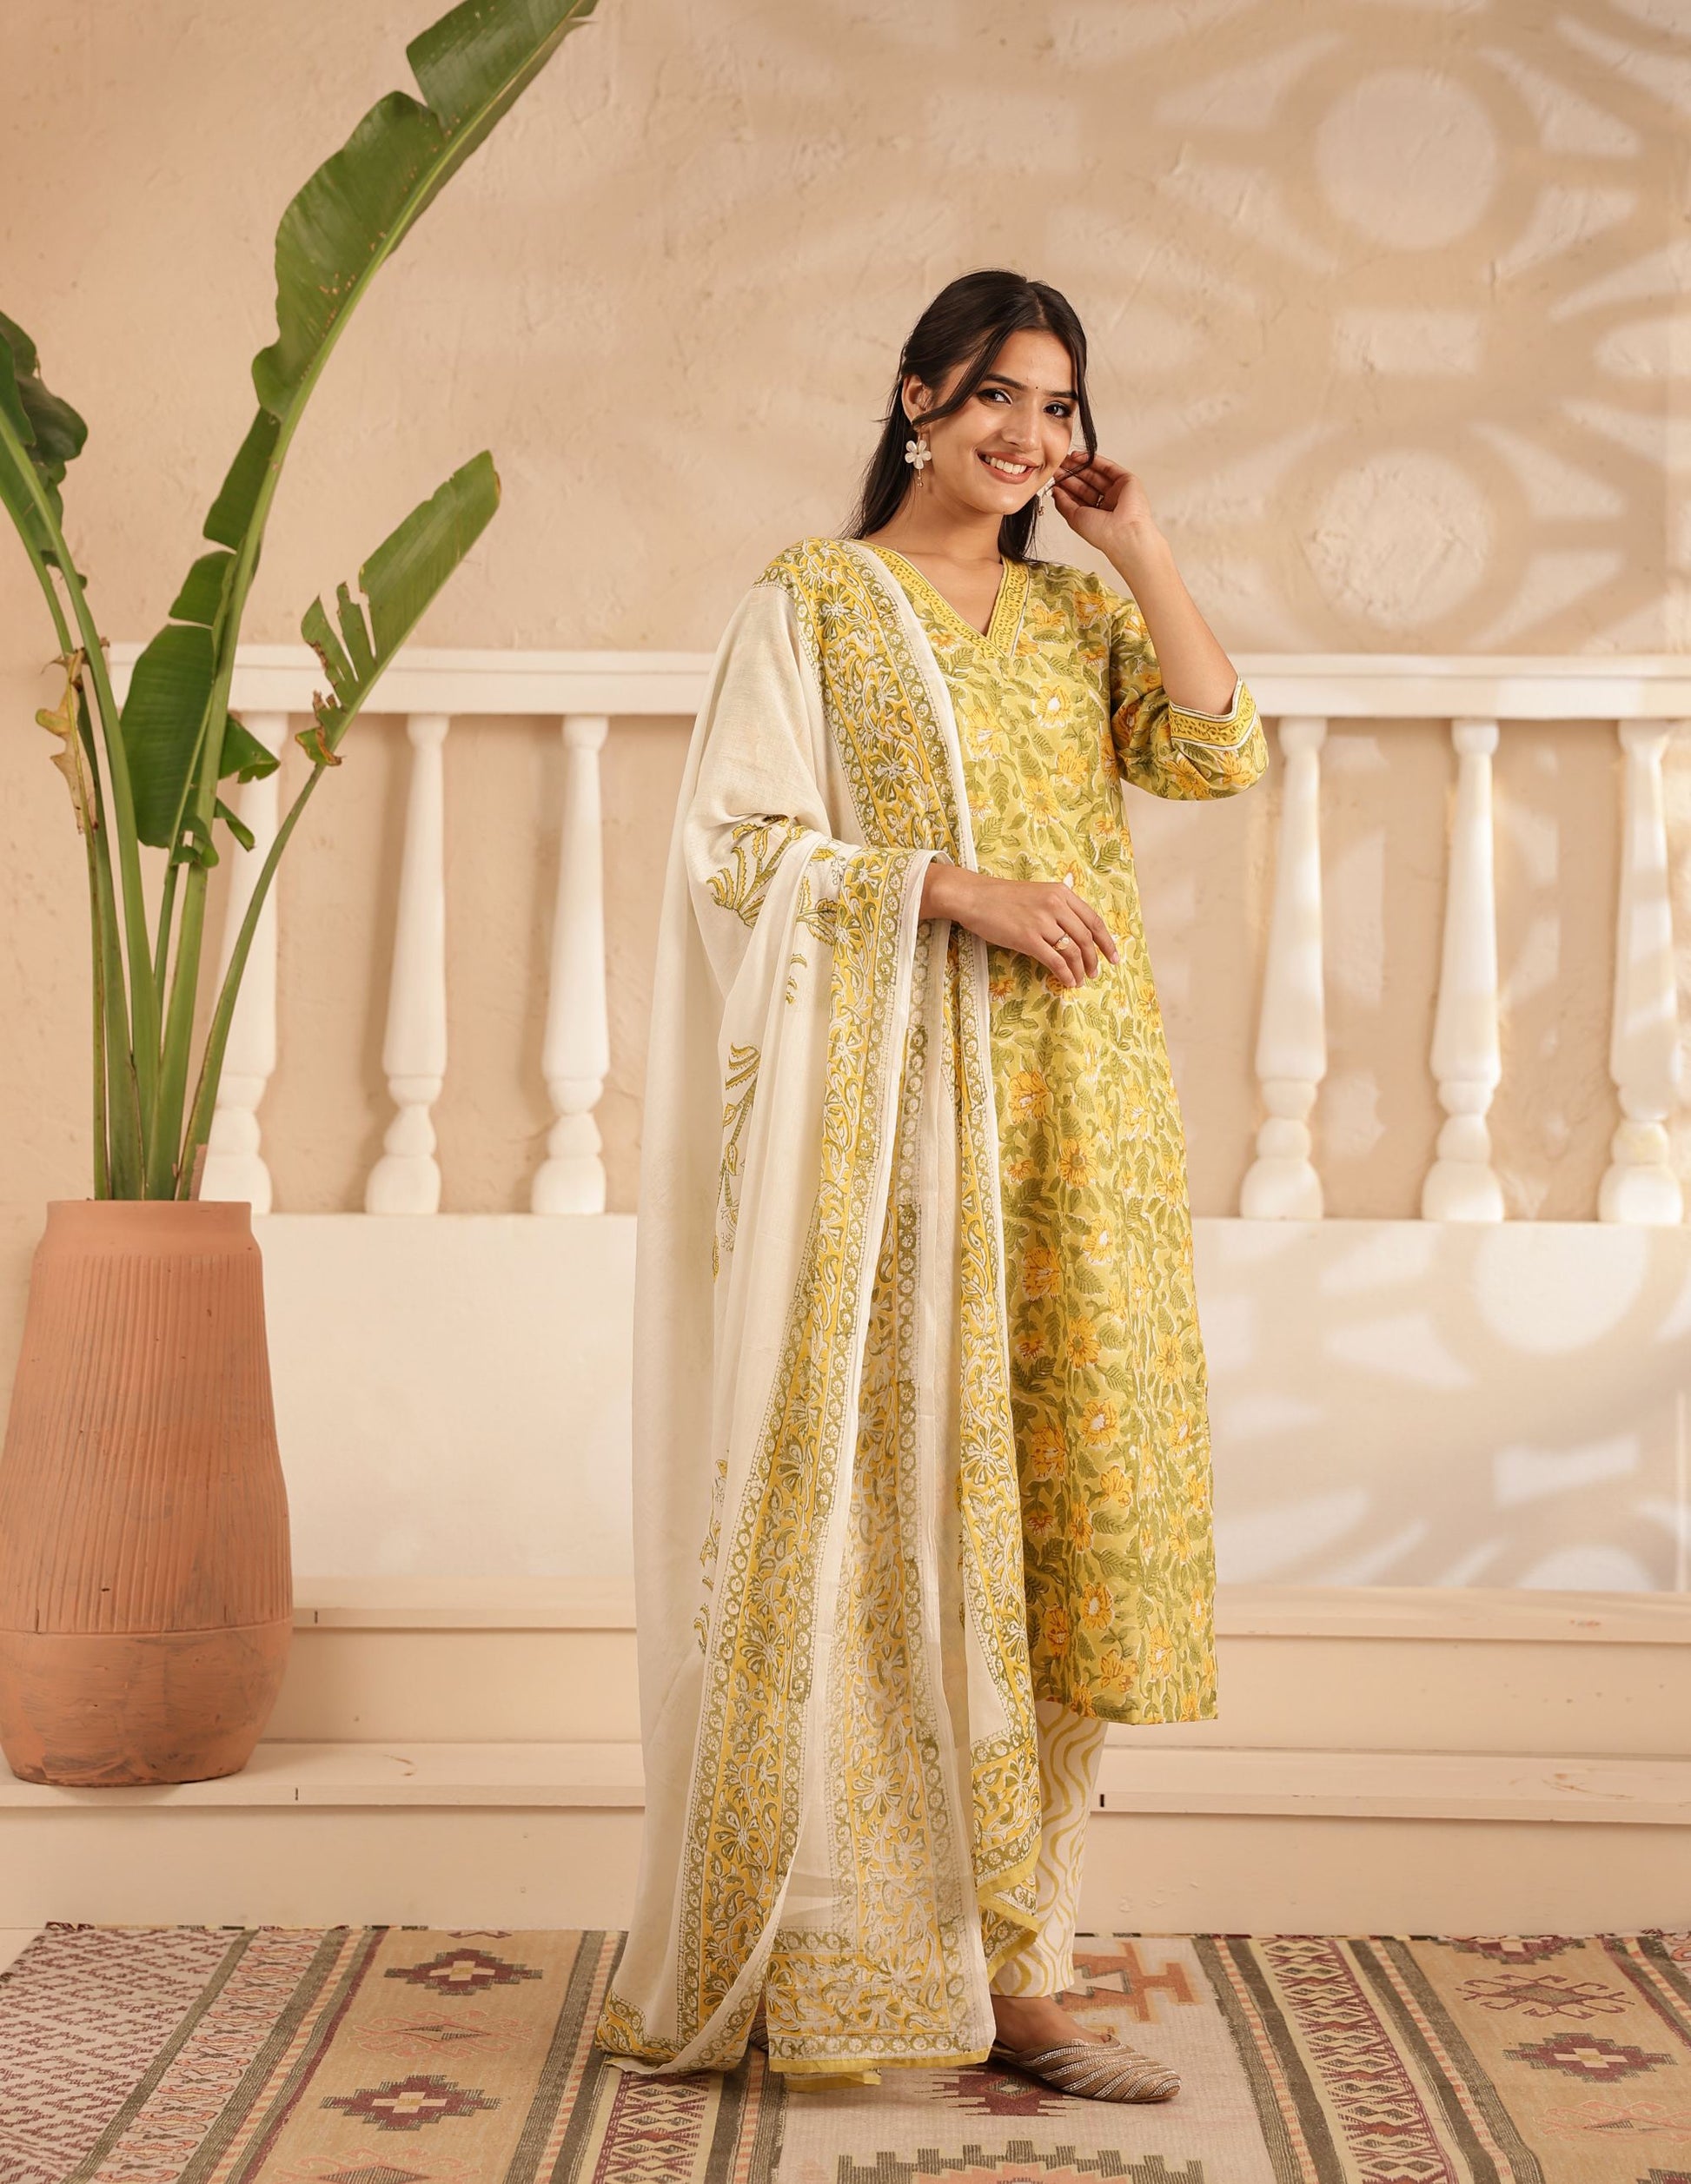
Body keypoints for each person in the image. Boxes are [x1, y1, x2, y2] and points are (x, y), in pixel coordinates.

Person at [594, 268, 1268, 2102]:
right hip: (899, 1128)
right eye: (996, 397)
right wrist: (945, 889)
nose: (1028, 437)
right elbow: (735, 849)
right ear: (917, 396)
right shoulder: (815, 601)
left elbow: (1214, 751)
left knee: (1061, 1519)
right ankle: (861, 1953)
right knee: (901, 1501)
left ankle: (1025, 1965)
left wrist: (1142, 550)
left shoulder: (1071, 612)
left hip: (1083, 1123)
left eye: (1056, 408)